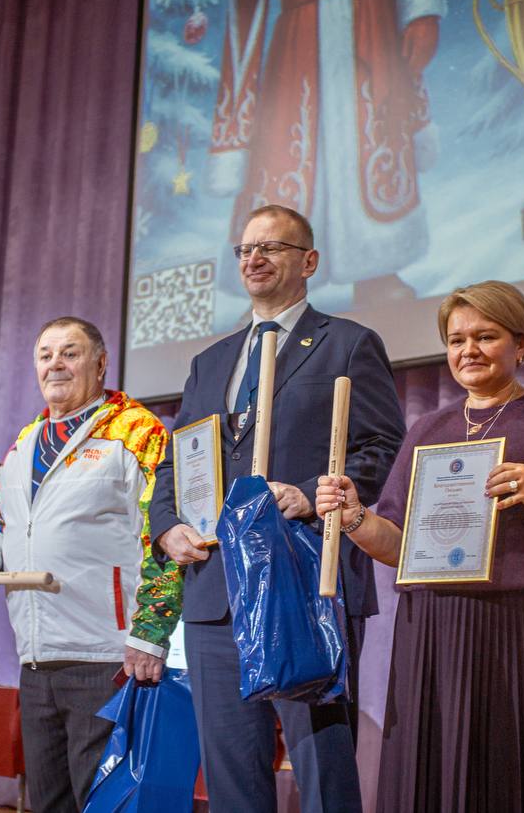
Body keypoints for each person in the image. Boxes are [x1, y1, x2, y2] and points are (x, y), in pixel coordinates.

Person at [316, 280, 524, 811]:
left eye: (486, 336)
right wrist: (354, 517)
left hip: (523, 628)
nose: (468, 350)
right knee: (431, 780)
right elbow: (397, 545)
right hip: (431, 628)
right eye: (456, 340)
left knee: (521, 780)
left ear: (521, 345)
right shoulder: (426, 429)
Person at [150, 204, 405, 812]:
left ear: (309, 261)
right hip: (216, 589)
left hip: (306, 581)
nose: (254, 258)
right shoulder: (210, 362)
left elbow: (379, 444)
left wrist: (315, 492)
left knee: (322, 769)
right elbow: (175, 463)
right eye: (245, 249)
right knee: (231, 776)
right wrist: (167, 527)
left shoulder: (348, 343)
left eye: (271, 247)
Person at [0, 317, 180, 813]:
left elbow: (164, 535)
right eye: (45, 355)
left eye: (70, 353)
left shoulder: (137, 431)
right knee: (48, 802)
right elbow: (2, 519)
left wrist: (150, 631)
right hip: (37, 658)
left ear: (100, 363)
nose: (55, 363)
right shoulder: (25, 441)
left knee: (105, 803)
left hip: (108, 656)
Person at [208, 0, 445, 306]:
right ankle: (275, 288)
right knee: (288, 153)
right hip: (300, 34)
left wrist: (421, 12)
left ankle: (377, 270)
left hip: (369, 21)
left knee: (370, 137)